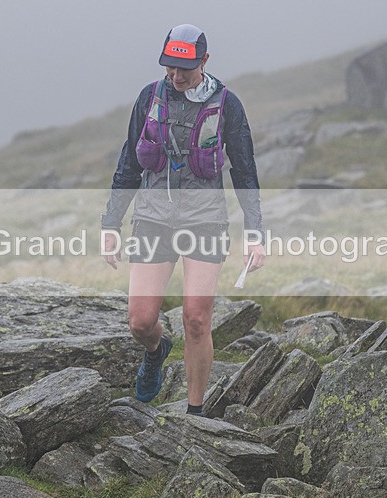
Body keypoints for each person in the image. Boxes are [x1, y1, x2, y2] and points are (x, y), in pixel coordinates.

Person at [100, 24, 266, 416]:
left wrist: (255, 233)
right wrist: (111, 224)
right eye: (170, 67)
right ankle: (157, 352)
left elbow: (245, 171)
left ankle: (194, 415)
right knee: (140, 322)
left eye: (185, 69)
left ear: (204, 62)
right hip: (153, 219)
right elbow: (128, 164)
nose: (176, 76)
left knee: (196, 318)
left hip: (205, 220)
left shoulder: (228, 105)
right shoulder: (149, 98)